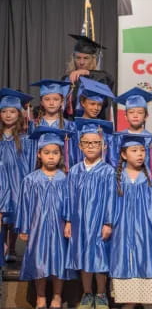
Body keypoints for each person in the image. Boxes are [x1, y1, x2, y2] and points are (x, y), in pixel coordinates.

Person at [15, 127, 76, 309]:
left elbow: (71, 205)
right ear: (39, 154)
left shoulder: (65, 179)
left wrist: (69, 223)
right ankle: (40, 297)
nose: (51, 156)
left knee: (59, 261)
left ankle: (57, 296)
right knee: (38, 261)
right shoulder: (31, 180)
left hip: (59, 227)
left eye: (55, 153)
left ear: (61, 155)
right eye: (47, 152)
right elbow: (24, 206)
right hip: (37, 228)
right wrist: (24, 228)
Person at [109, 133, 152, 309]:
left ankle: (148, 303)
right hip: (123, 231)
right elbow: (109, 204)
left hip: (148, 232)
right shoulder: (116, 179)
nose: (140, 154)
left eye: (142, 150)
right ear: (124, 155)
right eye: (134, 150)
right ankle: (129, 303)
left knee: (147, 263)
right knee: (125, 263)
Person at [66, 119, 116, 309]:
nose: (91, 146)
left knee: (100, 258)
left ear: (103, 146)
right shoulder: (74, 171)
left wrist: (108, 222)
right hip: (80, 222)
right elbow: (68, 198)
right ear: (80, 145)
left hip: (99, 221)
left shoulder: (108, 171)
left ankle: (101, 293)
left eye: (95, 143)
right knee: (83, 257)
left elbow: (112, 198)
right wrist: (69, 221)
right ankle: (87, 293)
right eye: (87, 142)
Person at [0, 88, 34, 263]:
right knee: (1, 216)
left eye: (12, 111)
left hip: (16, 181)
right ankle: (2, 247)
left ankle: (11, 247)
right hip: (0, 181)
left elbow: (28, 163)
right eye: (4, 111)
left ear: (19, 114)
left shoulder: (24, 138)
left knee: (12, 217)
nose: (8, 115)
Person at [63, 34, 114, 120]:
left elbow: (109, 79)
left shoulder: (99, 78)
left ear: (93, 59)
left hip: (94, 126)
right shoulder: (67, 79)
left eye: (86, 58)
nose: (81, 62)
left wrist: (87, 72)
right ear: (73, 58)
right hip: (71, 126)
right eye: (78, 58)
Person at [112, 87, 152, 173]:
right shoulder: (118, 137)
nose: (135, 115)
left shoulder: (151, 139)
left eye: (140, 112)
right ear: (125, 116)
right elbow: (114, 162)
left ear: (146, 116)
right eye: (131, 112)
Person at [29, 79, 76, 165]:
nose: (51, 103)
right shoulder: (35, 125)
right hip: (40, 168)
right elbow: (31, 150)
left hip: (62, 169)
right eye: (47, 99)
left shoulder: (69, 125)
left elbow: (72, 153)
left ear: (62, 102)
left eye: (56, 99)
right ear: (41, 102)